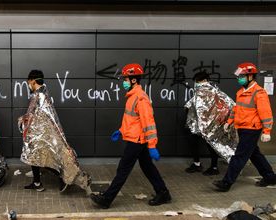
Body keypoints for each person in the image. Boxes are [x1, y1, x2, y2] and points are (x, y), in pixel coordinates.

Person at [90, 63, 171, 209]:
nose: (124, 82)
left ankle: (106, 199)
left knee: (123, 169)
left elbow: (149, 123)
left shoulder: (140, 98)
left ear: (134, 80)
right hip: (135, 138)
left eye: (126, 79)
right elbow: (132, 120)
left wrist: (152, 145)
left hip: (137, 141)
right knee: (147, 167)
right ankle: (163, 193)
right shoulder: (132, 96)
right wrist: (121, 130)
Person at [18, 70, 91, 193]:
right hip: (39, 133)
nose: (28, 85)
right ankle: (37, 182)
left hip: (41, 134)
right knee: (34, 156)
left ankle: (62, 175)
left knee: (39, 156)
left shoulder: (39, 95)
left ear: (33, 81)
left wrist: (23, 120)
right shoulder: (42, 93)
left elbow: (35, 115)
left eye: (28, 82)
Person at [213, 62, 276, 192]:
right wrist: (228, 122)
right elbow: (236, 110)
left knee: (239, 156)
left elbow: (266, 113)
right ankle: (270, 177)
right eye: (238, 76)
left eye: (241, 76)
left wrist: (267, 131)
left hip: (252, 129)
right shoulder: (241, 92)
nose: (239, 79)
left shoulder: (259, 93)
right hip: (242, 128)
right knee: (254, 154)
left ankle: (226, 183)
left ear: (251, 76)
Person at [184, 71, 237, 176]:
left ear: (204, 81)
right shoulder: (207, 91)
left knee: (211, 143)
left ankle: (213, 167)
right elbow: (195, 103)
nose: (197, 84)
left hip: (211, 125)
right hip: (200, 124)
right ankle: (198, 164)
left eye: (198, 82)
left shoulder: (211, 91)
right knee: (197, 141)